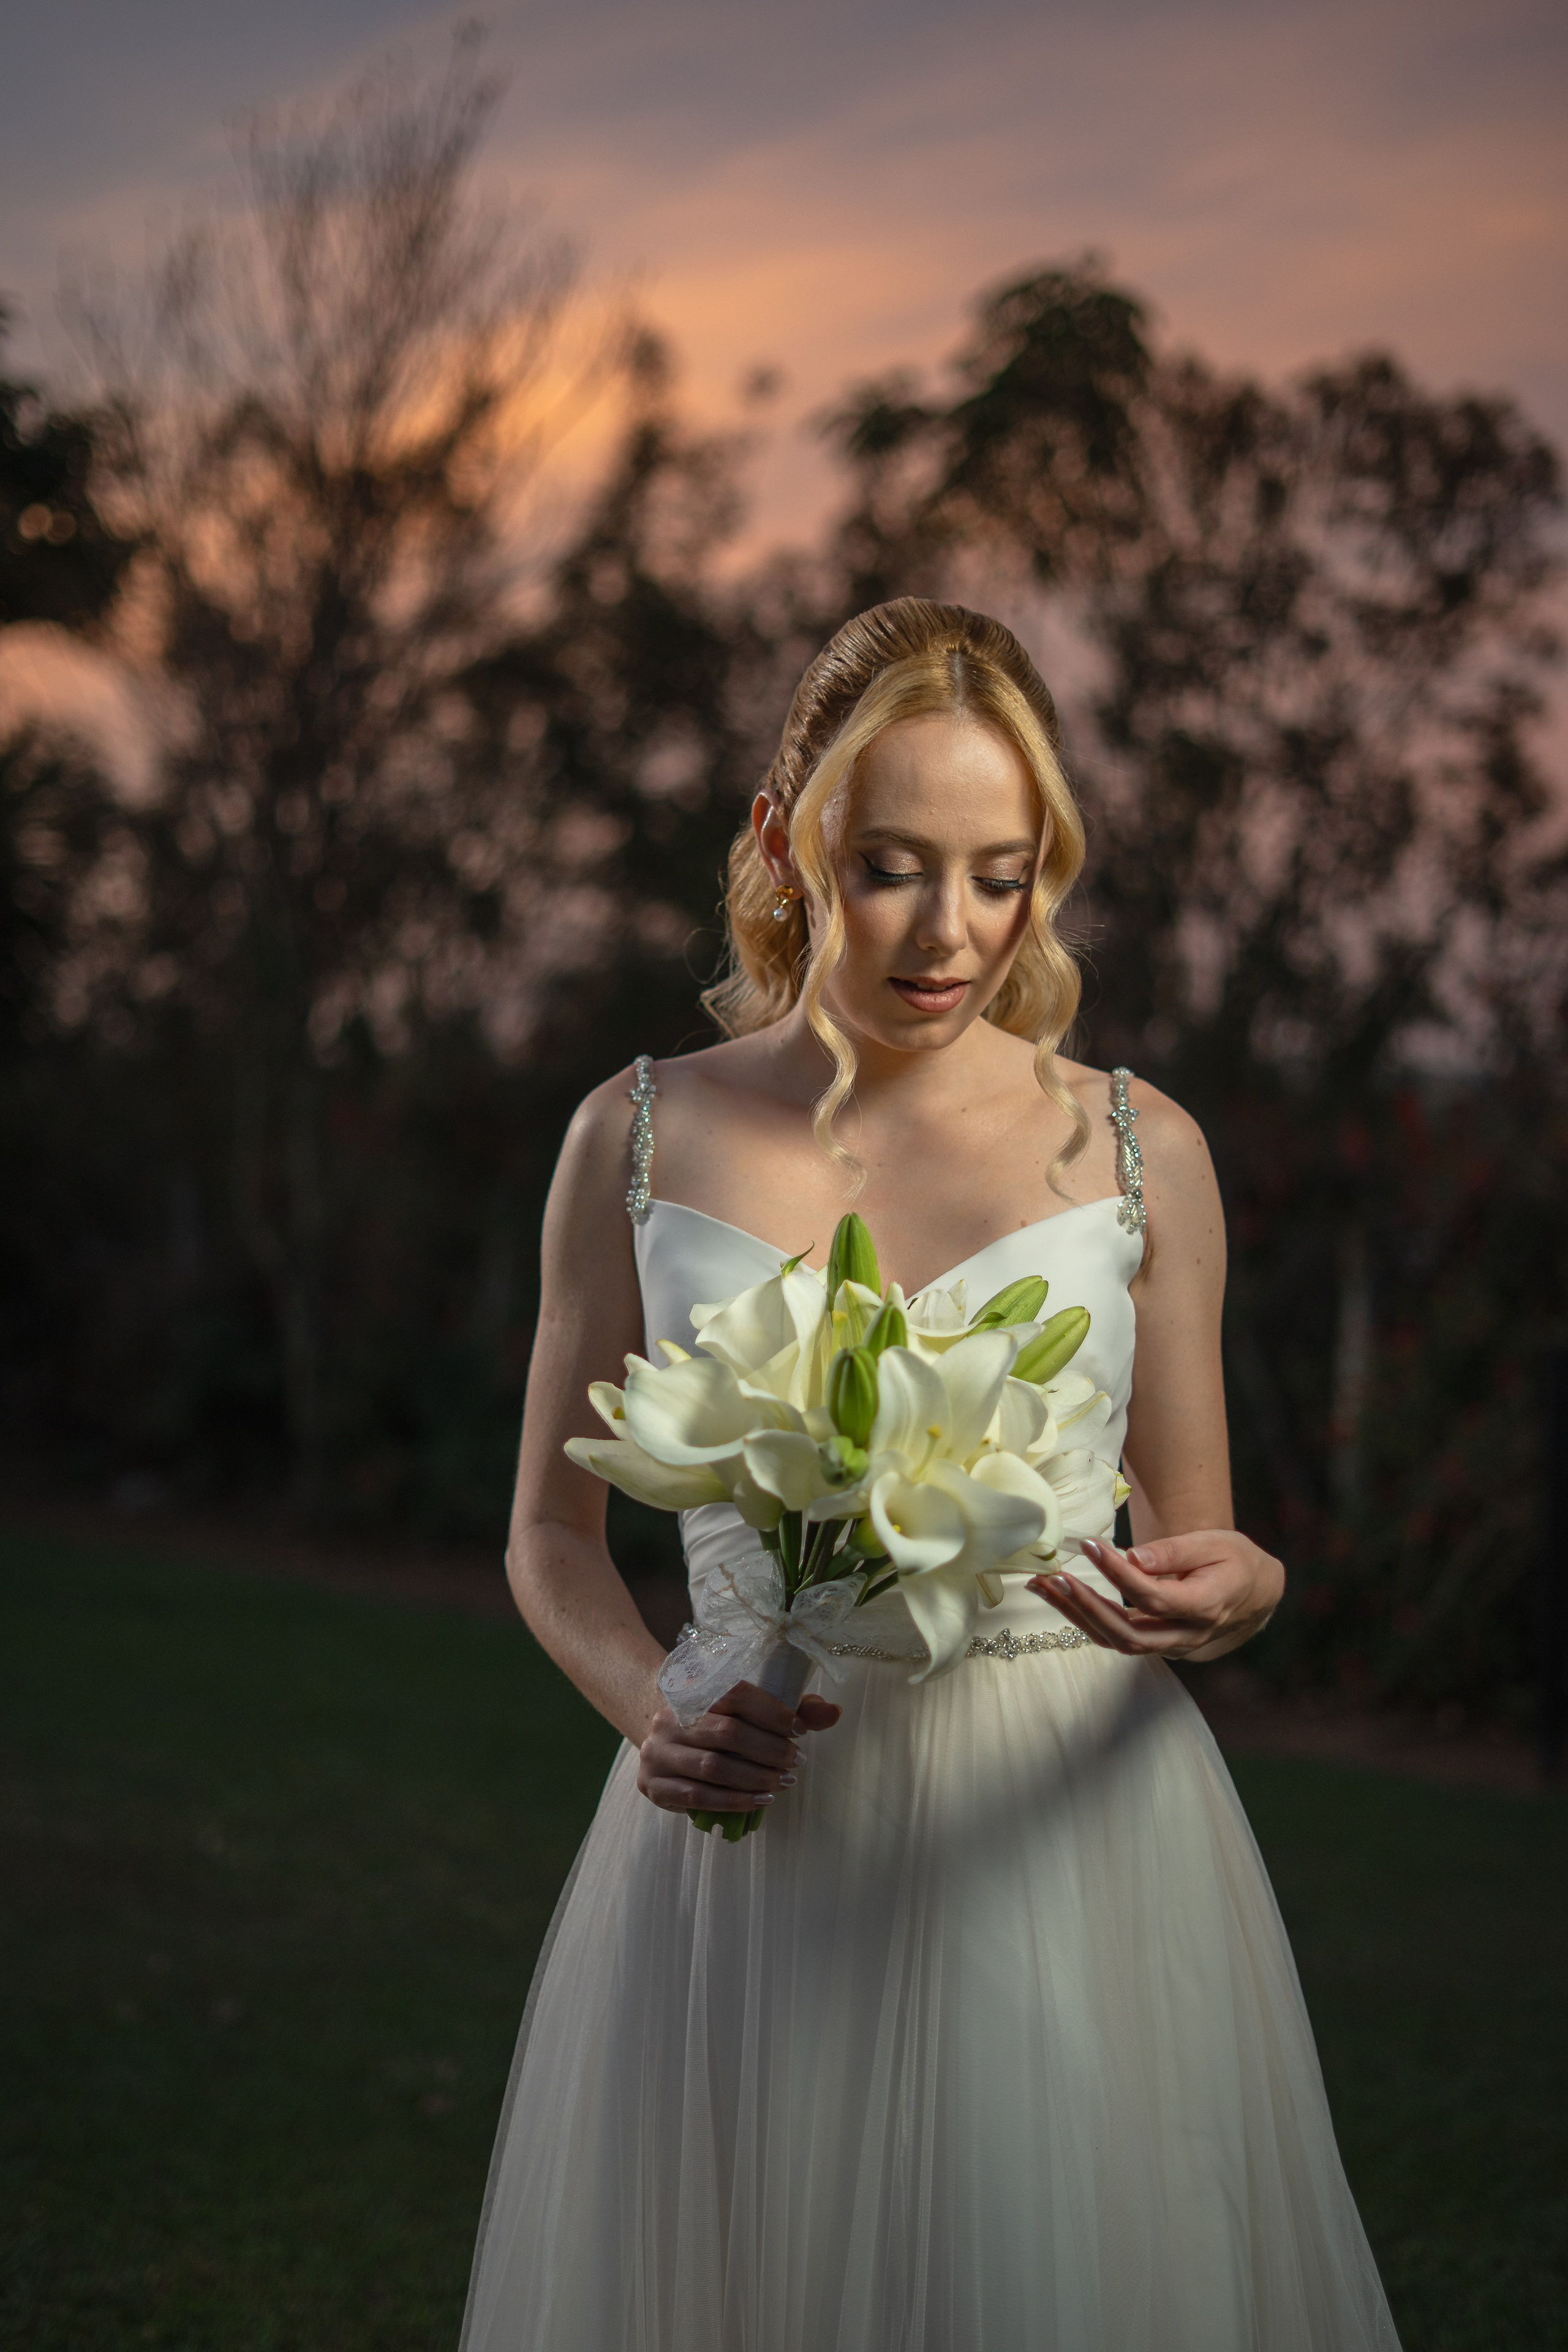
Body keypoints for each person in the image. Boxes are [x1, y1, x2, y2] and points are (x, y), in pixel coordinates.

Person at [461, 600, 1401, 2351]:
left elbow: (1202, 1544)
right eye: (894, 865)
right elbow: (546, 1528)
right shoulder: (638, 1132)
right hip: (753, 1820)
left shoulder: (1136, 1146)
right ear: (784, 839)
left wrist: (1247, 1583)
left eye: (1002, 870)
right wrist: (654, 1698)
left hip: (1062, 1840)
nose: (952, 929)